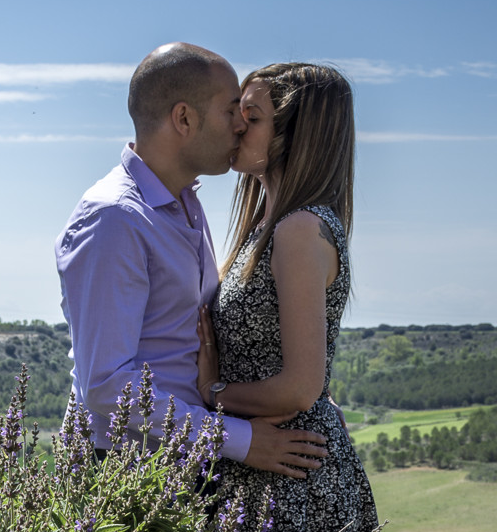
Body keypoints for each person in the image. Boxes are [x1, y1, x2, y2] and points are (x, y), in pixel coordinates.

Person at [55, 43, 328, 478]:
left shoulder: (183, 203)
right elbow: (106, 387)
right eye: (231, 111)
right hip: (124, 478)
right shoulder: (115, 219)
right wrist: (241, 440)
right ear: (184, 118)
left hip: (177, 466)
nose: (242, 124)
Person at [195, 62, 387, 532]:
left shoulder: (299, 230)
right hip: (269, 467)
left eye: (250, 118)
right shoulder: (274, 225)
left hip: (292, 480)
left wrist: (212, 393)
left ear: (293, 136)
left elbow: (301, 387)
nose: (236, 128)